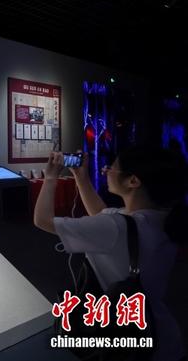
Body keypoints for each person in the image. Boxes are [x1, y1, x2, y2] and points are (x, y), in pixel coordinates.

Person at [34, 146, 187, 361]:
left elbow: (42, 220)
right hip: (159, 332)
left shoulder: (117, 226)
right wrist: (81, 178)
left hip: (129, 338)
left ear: (133, 181)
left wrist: (50, 178)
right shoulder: (161, 218)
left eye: (111, 168)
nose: (105, 170)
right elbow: (101, 214)